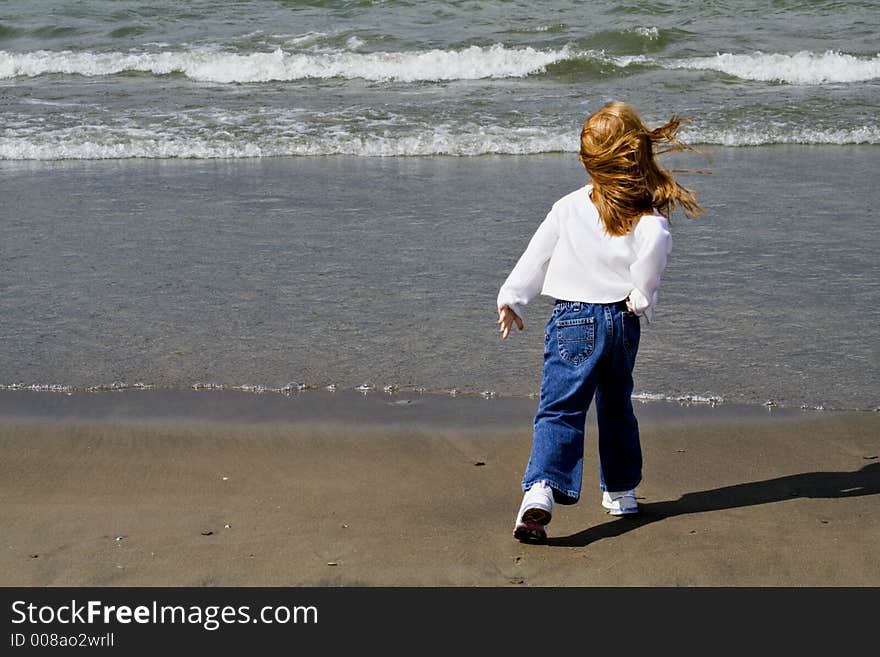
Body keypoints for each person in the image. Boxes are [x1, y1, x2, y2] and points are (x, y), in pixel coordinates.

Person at [497, 100, 703, 543]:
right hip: (622, 318)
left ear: (587, 159)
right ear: (637, 156)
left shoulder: (568, 206)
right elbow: (655, 242)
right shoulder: (644, 213)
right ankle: (622, 491)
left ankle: (540, 491)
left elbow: (538, 254)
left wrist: (513, 296)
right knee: (616, 404)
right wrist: (642, 295)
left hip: (573, 319)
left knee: (560, 409)